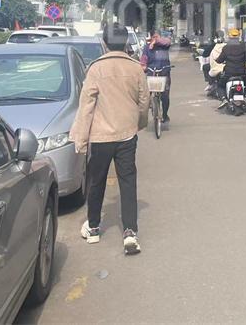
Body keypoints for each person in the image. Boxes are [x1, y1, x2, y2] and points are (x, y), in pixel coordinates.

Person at [69, 23, 149, 255]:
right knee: (128, 181)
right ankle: (130, 233)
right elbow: (144, 101)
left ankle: (94, 228)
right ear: (126, 42)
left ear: (104, 43)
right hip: (127, 135)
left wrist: (81, 138)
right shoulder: (135, 68)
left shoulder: (96, 69)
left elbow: (86, 106)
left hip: (101, 136)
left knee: (97, 181)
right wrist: (139, 123)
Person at [140, 28, 172, 123]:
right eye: (153, 37)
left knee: (165, 96)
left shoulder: (164, 46)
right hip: (152, 74)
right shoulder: (147, 47)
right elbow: (143, 59)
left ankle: (165, 114)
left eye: (157, 37)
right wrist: (143, 66)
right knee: (146, 94)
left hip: (164, 73)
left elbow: (167, 42)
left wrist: (155, 41)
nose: (155, 39)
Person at [216, 27, 246, 104]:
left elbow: (220, 60)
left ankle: (224, 99)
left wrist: (217, 60)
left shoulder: (226, 48)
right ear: (238, 36)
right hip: (241, 74)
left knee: (220, 86)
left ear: (229, 37)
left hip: (229, 74)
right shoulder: (244, 46)